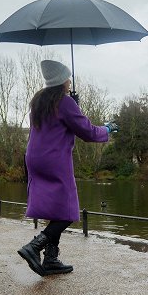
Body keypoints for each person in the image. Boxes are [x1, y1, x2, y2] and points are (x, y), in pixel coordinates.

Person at [17, 60, 118, 276]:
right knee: (68, 210)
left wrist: (72, 104)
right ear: (63, 80)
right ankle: (34, 247)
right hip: (54, 159)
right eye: (68, 78)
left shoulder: (39, 101)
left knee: (55, 207)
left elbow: (55, 123)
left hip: (34, 158)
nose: (70, 81)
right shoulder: (64, 102)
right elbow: (88, 132)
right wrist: (107, 128)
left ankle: (51, 259)